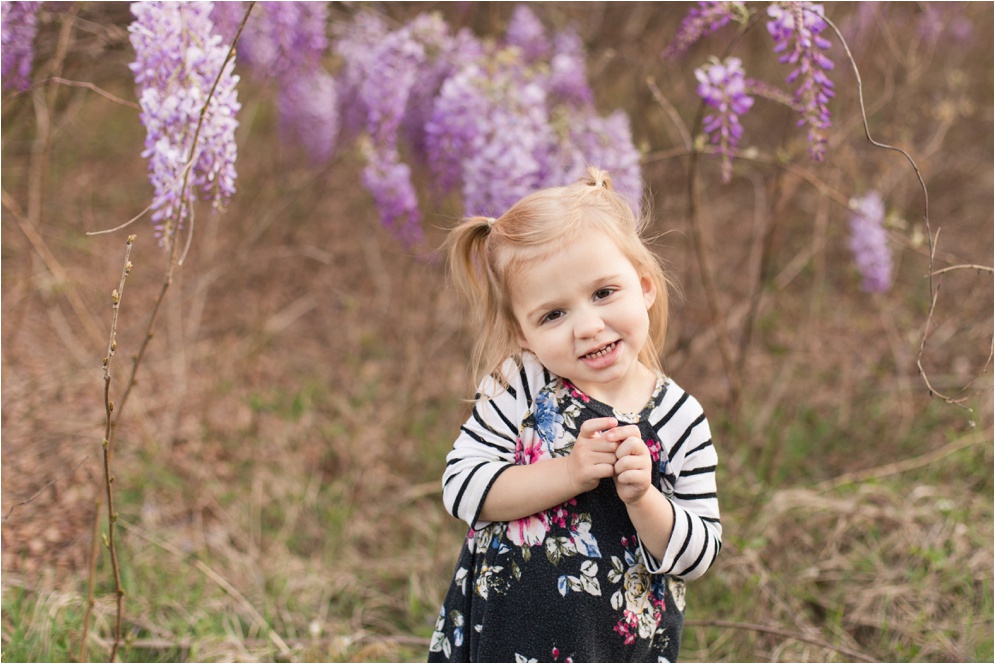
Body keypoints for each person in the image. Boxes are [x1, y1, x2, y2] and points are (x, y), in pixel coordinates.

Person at [428, 167, 721, 663]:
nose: (588, 326)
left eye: (604, 293)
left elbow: (699, 555)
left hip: (616, 646)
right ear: (523, 333)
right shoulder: (521, 383)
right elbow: (461, 487)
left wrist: (644, 498)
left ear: (645, 287)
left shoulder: (679, 417)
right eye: (553, 315)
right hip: (507, 637)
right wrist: (568, 472)